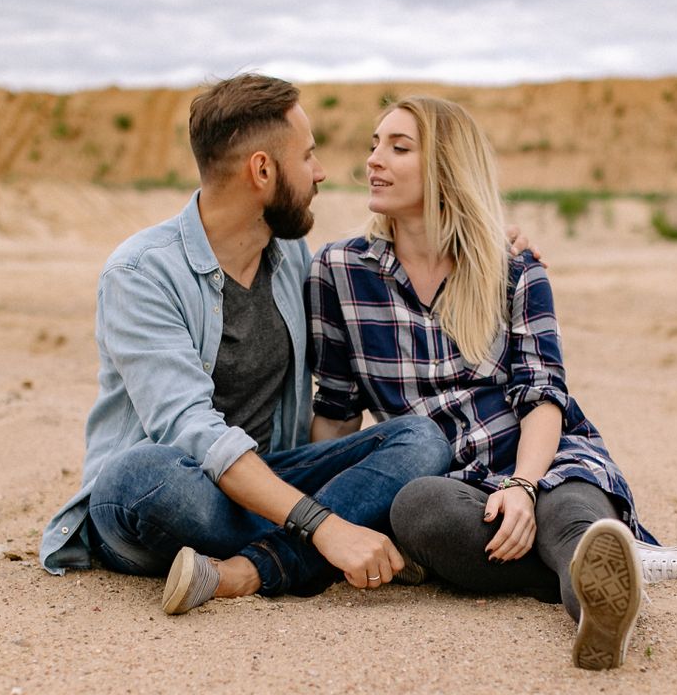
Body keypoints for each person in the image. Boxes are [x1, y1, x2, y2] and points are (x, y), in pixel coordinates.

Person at [307, 96, 677, 670]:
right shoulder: (338, 272)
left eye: (398, 147)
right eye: (373, 145)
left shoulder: (512, 268)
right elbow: (338, 413)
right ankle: (632, 563)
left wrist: (524, 486)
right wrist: (324, 519)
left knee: (570, 519)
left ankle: (599, 611)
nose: (373, 160)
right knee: (416, 510)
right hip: (453, 485)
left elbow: (542, 394)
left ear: (446, 166)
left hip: (546, 460)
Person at [38, 74, 453, 613]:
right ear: (262, 170)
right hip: (178, 494)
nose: (321, 172)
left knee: (420, 440)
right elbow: (190, 430)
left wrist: (488, 244)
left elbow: (389, 259)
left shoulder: (293, 259)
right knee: (142, 474)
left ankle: (248, 570)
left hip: (269, 481)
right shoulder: (140, 273)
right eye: (307, 157)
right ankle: (331, 542)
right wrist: (325, 522)